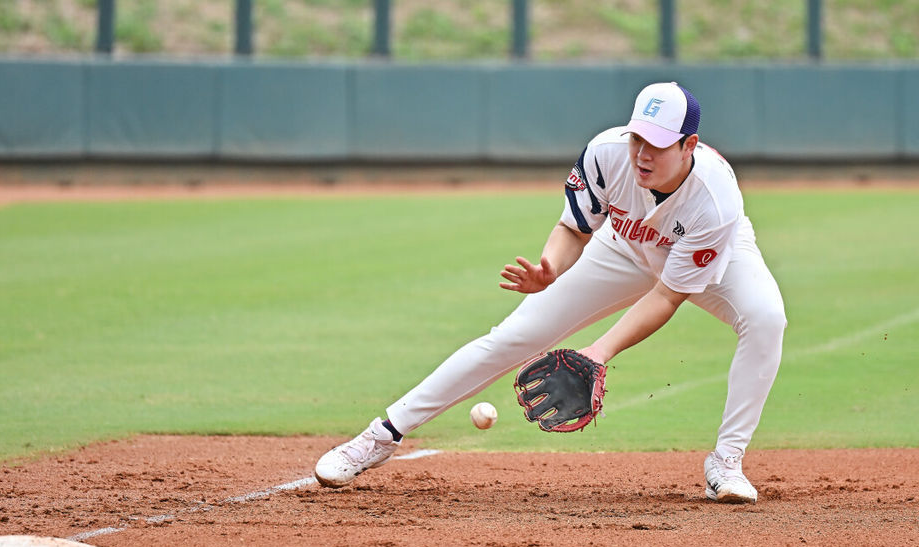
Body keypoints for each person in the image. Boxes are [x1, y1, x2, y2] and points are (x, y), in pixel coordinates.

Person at [314, 82, 786, 504]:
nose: (642, 153)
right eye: (638, 138)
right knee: (512, 337)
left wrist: (599, 352)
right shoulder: (606, 153)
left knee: (766, 319)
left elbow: (666, 296)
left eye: (658, 145)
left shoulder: (716, 200)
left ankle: (725, 464)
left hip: (709, 254)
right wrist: (551, 269)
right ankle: (378, 437)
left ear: (689, 146)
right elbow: (574, 230)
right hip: (621, 248)